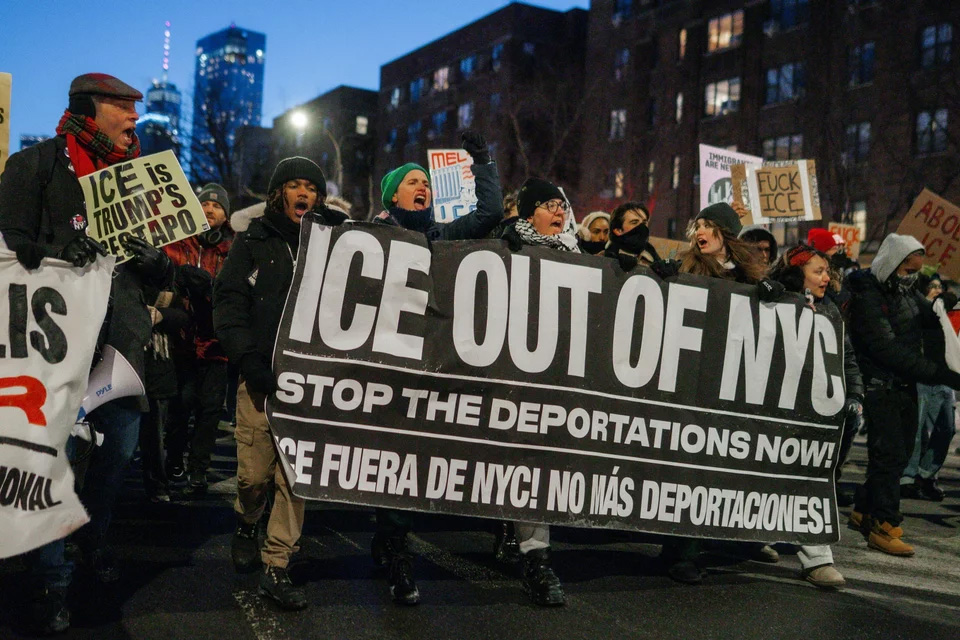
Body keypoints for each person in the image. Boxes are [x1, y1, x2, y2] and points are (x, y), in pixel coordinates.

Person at [0, 72, 174, 635]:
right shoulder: (35, 166)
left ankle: (91, 543)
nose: (133, 118)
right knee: (58, 457)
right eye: (124, 107)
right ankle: (52, 577)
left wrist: (156, 265)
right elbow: (8, 244)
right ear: (90, 109)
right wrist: (55, 251)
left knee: (118, 453)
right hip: (54, 343)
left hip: (118, 341)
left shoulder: (136, 179)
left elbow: (165, 262)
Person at [372, 131, 506, 606]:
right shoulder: (368, 237)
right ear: (392, 195)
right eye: (412, 180)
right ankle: (391, 543)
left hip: (427, 362)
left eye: (426, 180)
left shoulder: (440, 235)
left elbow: (489, 214)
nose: (422, 184)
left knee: (406, 457)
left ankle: (394, 544)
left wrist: (482, 160)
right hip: (382, 362)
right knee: (386, 455)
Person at [214, 157, 347, 610]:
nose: (304, 193)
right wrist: (248, 359)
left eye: (312, 187)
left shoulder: (333, 243)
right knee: (254, 477)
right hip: (259, 380)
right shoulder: (252, 241)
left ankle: (277, 566)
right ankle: (246, 522)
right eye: (295, 185)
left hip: (308, 389)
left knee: (294, 479)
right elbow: (228, 300)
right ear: (279, 194)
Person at [650, 203, 778, 584]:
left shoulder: (749, 277)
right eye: (697, 226)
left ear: (726, 234)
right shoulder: (687, 268)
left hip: (726, 388)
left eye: (707, 226)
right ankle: (680, 550)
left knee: (708, 469)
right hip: (687, 384)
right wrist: (660, 280)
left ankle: (686, 549)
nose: (699, 232)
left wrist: (774, 293)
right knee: (685, 467)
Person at [846, 233, 960, 556]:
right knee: (890, 456)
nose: (911, 278)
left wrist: (943, 303)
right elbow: (887, 349)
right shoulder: (868, 295)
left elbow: (926, 314)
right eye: (907, 270)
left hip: (904, 386)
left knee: (897, 454)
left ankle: (863, 507)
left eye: (915, 272)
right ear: (892, 263)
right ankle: (884, 525)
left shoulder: (905, 292)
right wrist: (937, 373)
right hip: (881, 386)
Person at [499, 176, 577, 606]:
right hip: (512, 375)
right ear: (529, 214)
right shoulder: (507, 246)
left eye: (562, 206)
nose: (560, 213)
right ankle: (527, 551)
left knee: (539, 465)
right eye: (550, 205)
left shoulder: (580, 256)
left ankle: (531, 552)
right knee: (515, 461)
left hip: (558, 380)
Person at [769, 244, 862, 589]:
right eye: (818, 271)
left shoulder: (831, 311)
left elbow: (846, 357)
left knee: (813, 479)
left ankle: (818, 559)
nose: (827, 278)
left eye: (828, 271)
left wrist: (855, 394)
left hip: (814, 414)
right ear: (797, 276)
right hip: (774, 410)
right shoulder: (773, 301)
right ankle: (752, 538)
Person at [163, 183, 234, 496]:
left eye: (217, 206)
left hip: (216, 346)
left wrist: (212, 290)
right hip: (183, 341)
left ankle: (198, 470)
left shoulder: (233, 250)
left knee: (209, 411)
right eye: (205, 204)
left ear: (226, 215)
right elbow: (164, 275)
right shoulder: (180, 243)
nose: (210, 210)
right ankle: (175, 458)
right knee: (181, 406)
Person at [900, 274, 956, 502]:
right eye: (931, 287)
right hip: (922, 375)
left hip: (945, 376)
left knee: (947, 427)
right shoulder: (916, 312)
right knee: (918, 429)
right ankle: (908, 478)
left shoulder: (945, 312)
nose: (936, 290)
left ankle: (926, 473)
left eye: (939, 286)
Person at [604, 201, 661, 267]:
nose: (641, 227)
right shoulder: (603, 258)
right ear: (618, 230)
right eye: (634, 223)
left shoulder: (652, 255)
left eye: (644, 223)